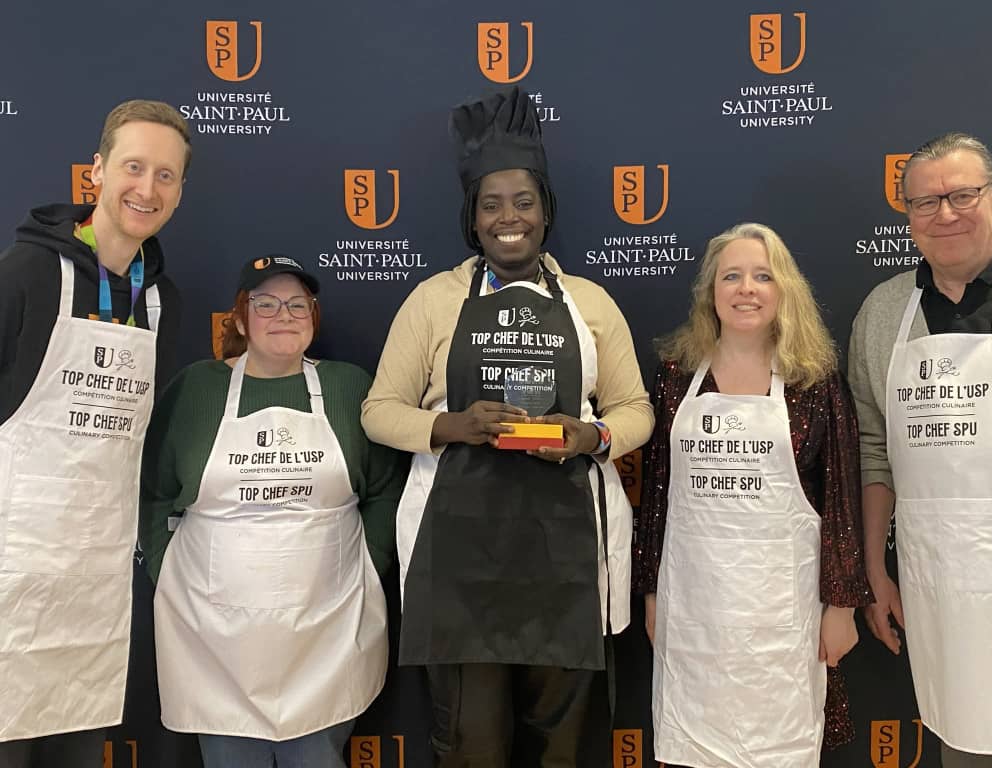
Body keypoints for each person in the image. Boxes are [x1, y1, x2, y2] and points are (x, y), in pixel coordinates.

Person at [361, 85, 653, 767]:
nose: (508, 217)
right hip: (460, 562)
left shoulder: (591, 302)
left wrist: (590, 438)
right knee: (472, 746)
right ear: (473, 219)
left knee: (563, 749)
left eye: (523, 201)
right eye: (490, 204)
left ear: (545, 211)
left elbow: (635, 410)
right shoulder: (433, 300)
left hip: (567, 559)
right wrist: (451, 426)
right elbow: (379, 411)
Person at [139, 255, 406, 768]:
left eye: (297, 304)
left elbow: (386, 488)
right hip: (212, 637)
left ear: (313, 316)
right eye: (265, 304)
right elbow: (152, 491)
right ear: (240, 319)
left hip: (326, 633)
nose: (284, 315)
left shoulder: (349, 387)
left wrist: (370, 567)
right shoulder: (195, 389)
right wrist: (163, 567)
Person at [634, 222, 871, 768]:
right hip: (694, 610)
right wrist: (651, 593)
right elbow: (658, 495)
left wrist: (841, 606)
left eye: (763, 276)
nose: (746, 289)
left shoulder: (815, 381)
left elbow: (841, 500)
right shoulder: (676, 377)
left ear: (784, 289)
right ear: (710, 292)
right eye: (732, 276)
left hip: (783, 617)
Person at [0, 99, 189, 767]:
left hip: (94, 576)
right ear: (98, 171)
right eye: (133, 167)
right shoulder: (25, 274)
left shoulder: (161, 302)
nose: (147, 189)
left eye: (165, 175)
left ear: (179, 191)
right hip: (10, 564)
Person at [849, 133, 992, 768]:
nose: (945, 214)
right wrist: (875, 568)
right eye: (926, 202)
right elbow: (875, 450)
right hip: (942, 593)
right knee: (971, 745)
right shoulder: (883, 312)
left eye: (962, 195)